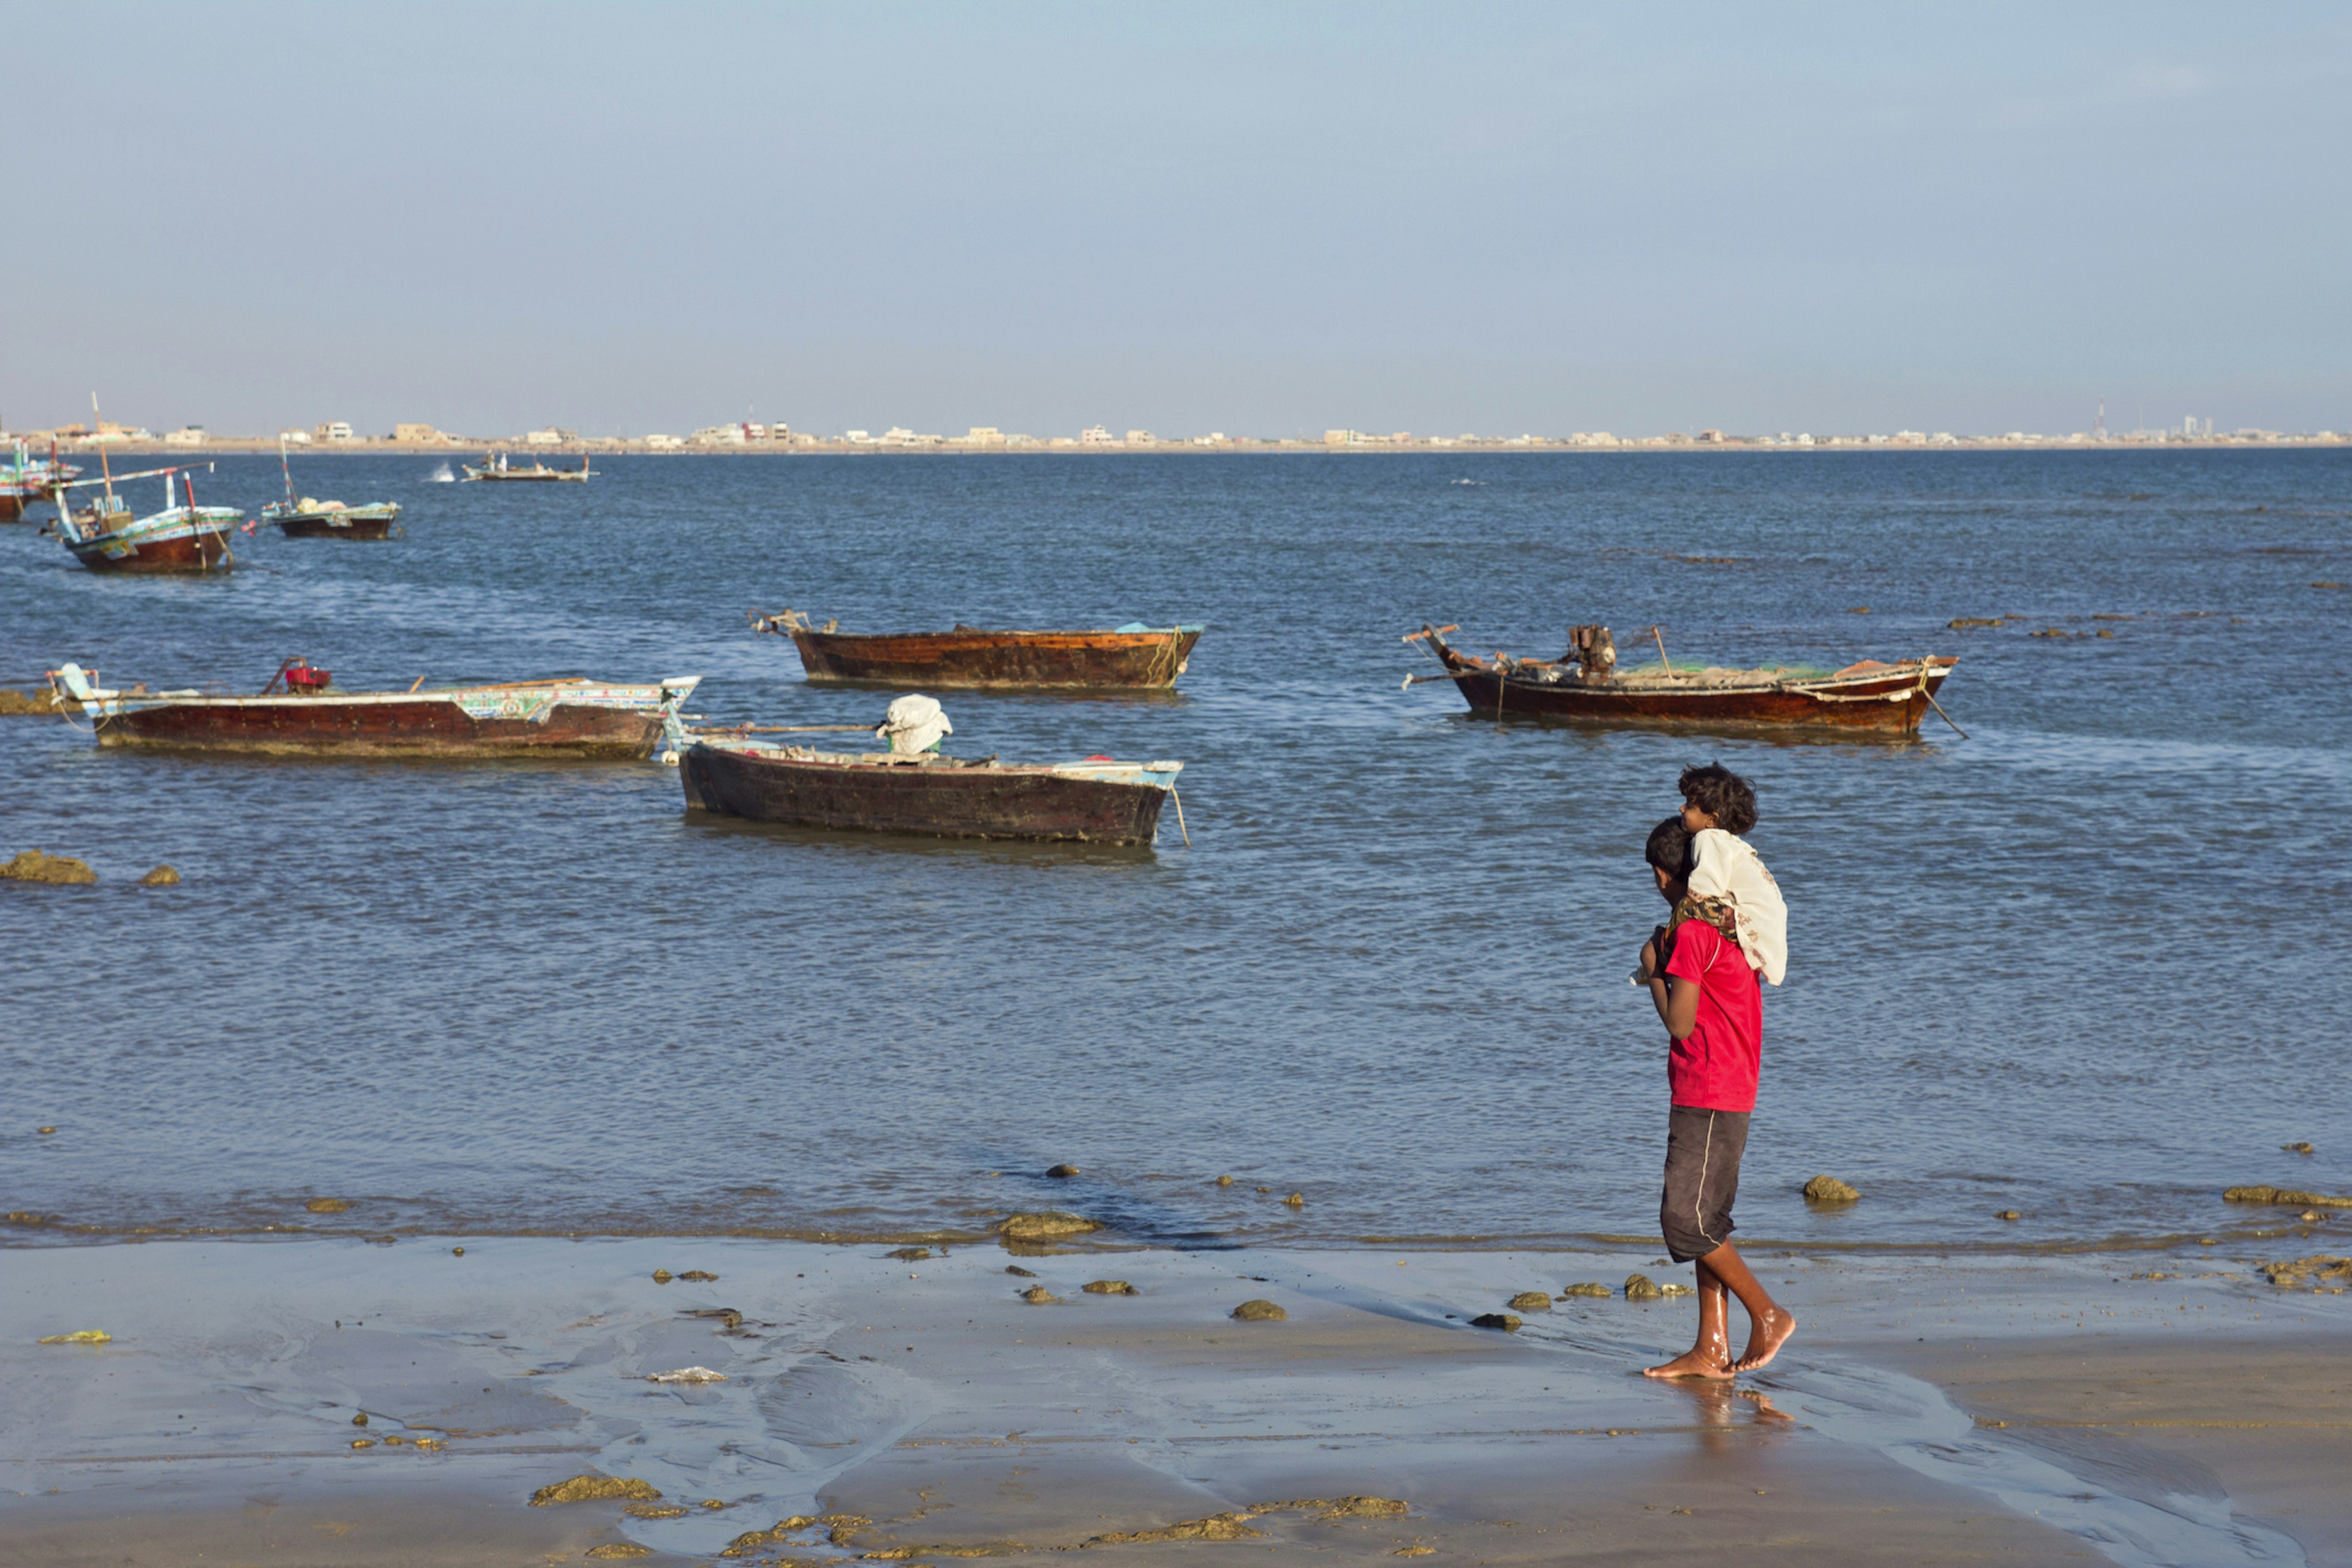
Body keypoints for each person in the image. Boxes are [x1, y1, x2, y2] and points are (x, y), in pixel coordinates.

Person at [1634, 815, 1796, 1379]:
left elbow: (1680, 1025)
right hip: (1729, 1087)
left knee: (1686, 1223)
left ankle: (1768, 1313)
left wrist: (1655, 970)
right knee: (1710, 1220)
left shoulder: (1693, 934)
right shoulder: (1727, 925)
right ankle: (1711, 1347)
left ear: (1662, 875)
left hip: (1709, 1089)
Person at [1677, 761, 1786, 987]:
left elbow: (1703, 891)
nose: (1681, 809)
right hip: (1763, 922)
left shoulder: (1708, 838)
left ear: (1712, 820)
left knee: (1685, 909)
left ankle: (1665, 960)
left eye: (1689, 806)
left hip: (1747, 921)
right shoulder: (1731, 844)